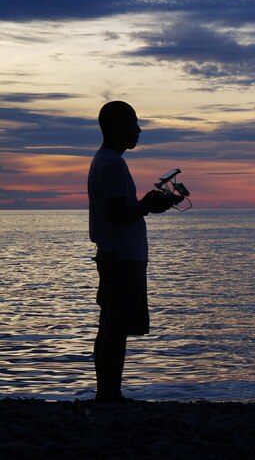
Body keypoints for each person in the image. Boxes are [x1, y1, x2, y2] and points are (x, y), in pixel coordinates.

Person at [88, 100, 175, 402]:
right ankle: (110, 395)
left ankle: (107, 393)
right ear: (115, 128)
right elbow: (118, 214)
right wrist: (147, 206)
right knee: (116, 327)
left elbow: (124, 208)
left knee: (111, 324)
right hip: (121, 257)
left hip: (116, 254)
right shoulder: (112, 163)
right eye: (133, 124)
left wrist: (144, 206)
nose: (138, 130)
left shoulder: (105, 160)